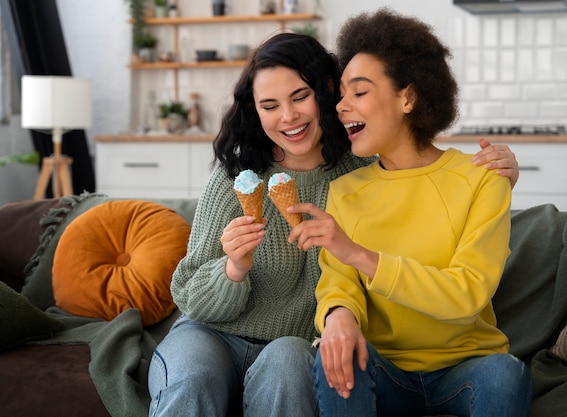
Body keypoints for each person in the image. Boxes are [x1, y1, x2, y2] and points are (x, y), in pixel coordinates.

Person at [147, 32, 521, 417]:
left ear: (325, 93)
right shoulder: (235, 179)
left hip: (292, 345)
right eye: (270, 105)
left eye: (299, 97)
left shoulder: (360, 176)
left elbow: (415, 166)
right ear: (255, 111)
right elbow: (188, 292)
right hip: (210, 334)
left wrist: (497, 173)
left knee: (289, 366)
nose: (288, 117)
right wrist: (233, 268)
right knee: (193, 380)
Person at [288, 8, 532, 417]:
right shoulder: (345, 191)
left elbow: (467, 293)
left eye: (359, 92)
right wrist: (337, 317)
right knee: (339, 355)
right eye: (342, 95)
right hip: (384, 371)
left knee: (505, 374)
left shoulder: (482, 178)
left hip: (467, 369)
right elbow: (339, 283)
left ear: (408, 97)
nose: (342, 106)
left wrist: (361, 255)